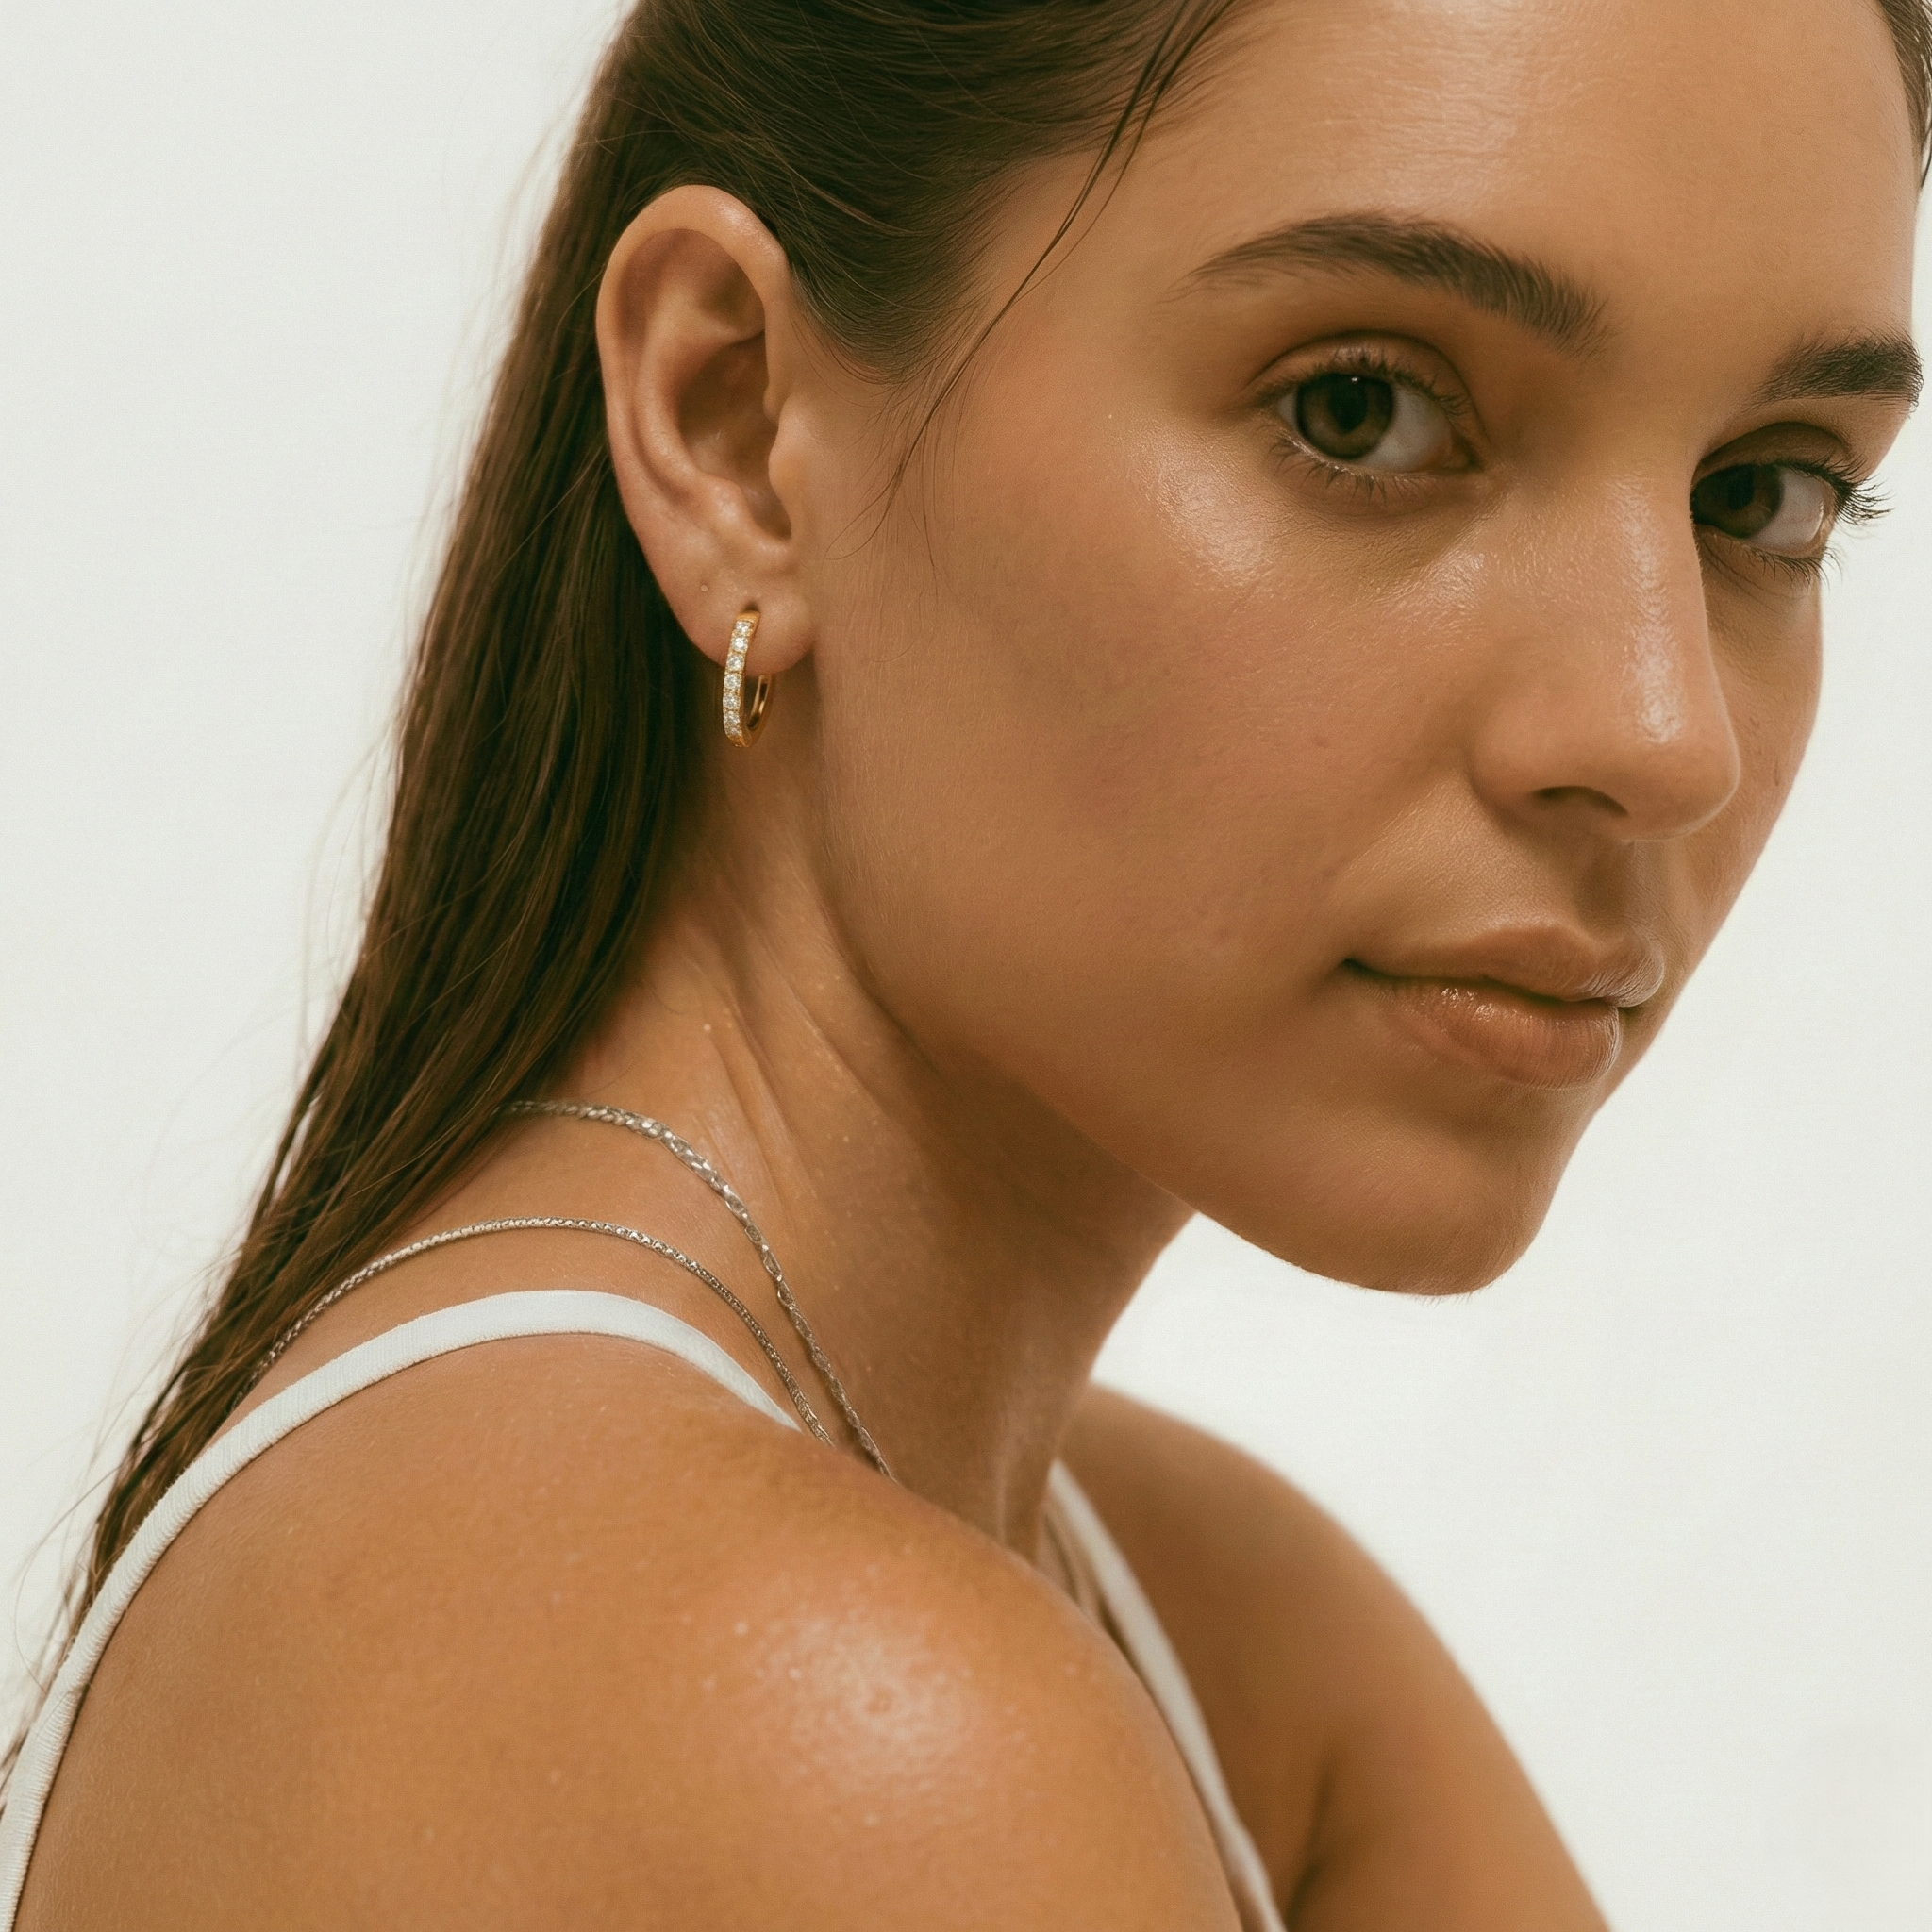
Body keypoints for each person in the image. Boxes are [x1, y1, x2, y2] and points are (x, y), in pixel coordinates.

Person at [3, 0, 1924, 1924]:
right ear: (735, 428)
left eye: (1760, 492)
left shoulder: (1220, 1634)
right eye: (1363, 408)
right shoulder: (843, 1717)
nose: (1666, 733)